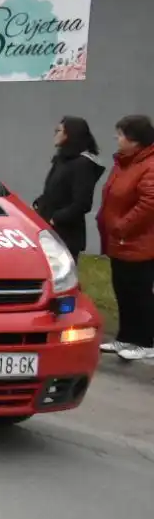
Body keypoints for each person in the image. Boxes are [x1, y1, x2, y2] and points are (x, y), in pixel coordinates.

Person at [97, 114, 154, 361]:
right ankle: (125, 337)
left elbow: (149, 202)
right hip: (119, 241)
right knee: (123, 290)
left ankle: (146, 341)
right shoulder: (124, 162)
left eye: (120, 134)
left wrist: (123, 226)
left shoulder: (149, 164)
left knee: (139, 293)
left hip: (139, 241)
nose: (116, 139)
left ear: (135, 140)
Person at [32, 116, 104, 261]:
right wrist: (38, 204)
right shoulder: (62, 160)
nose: (55, 134)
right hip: (48, 231)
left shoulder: (82, 164)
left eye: (58, 131)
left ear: (69, 134)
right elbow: (54, 191)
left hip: (67, 235)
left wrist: (55, 219)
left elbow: (82, 203)